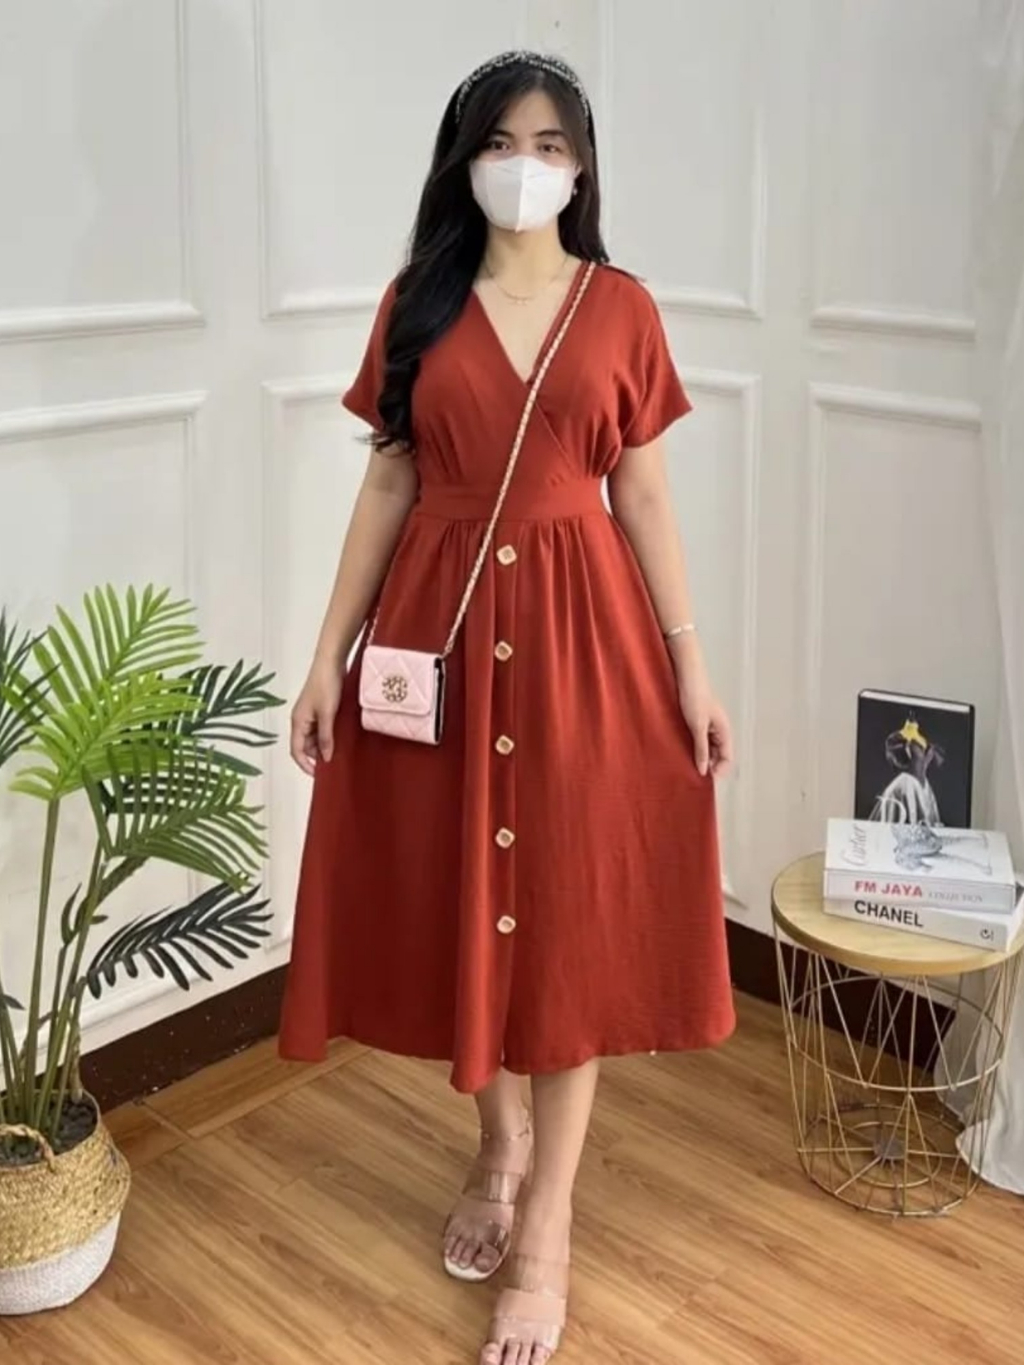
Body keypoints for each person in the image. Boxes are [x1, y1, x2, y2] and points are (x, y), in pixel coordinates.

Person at [278, 49, 736, 1365]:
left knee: (569, 919)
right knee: (457, 893)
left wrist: (690, 664)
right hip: (440, 628)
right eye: (499, 142)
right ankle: (499, 1142)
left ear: (581, 169)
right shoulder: (416, 302)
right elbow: (389, 482)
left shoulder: (622, 307)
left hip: (587, 636)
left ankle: (546, 1221)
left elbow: (640, 490)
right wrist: (328, 656)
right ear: (461, 157)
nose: (522, 167)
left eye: (548, 146)